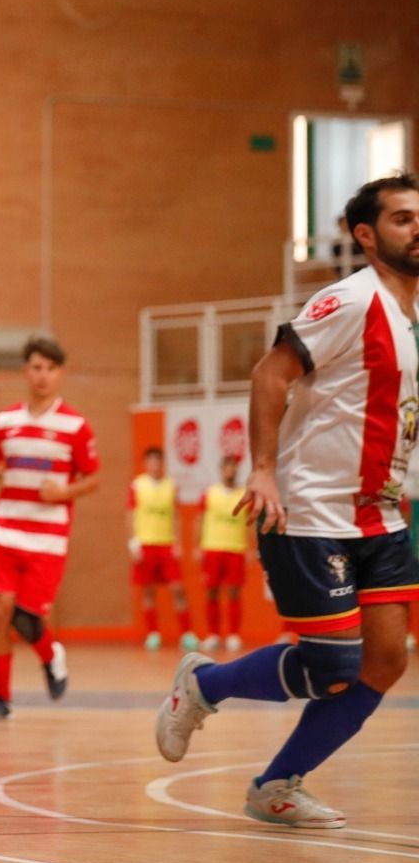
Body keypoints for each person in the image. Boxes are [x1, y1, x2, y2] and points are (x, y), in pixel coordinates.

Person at [157, 173, 419, 829]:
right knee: (334, 668)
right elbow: (271, 373)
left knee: (387, 660)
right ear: (366, 236)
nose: (418, 227)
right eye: (403, 218)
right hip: (309, 509)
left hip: (381, 514)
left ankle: (275, 786)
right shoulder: (351, 300)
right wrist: (264, 470)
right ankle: (204, 685)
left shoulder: (413, 318)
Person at [0, 337, 100, 721]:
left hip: (48, 535)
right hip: (4, 527)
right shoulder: (5, 422)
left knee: (25, 618)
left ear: (60, 374)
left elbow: (92, 479)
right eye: (37, 367)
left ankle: (50, 654)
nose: (43, 376)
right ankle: (1, 699)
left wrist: (64, 492)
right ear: (26, 371)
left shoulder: (75, 426)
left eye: (51, 369)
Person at [129, 447, 198, 652]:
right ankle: (153, 634)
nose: (155, 465)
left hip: (166, 544)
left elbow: (176, 516)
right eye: (151, 461)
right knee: (148, 590)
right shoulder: (137, 485)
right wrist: (133, 543)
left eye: (158, 461)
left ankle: (187, 634)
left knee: (178, 589)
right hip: (145, 543)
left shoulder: (171, 485)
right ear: (145, 464)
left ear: (162, 463)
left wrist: (178, 543)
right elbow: (130, 514)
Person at [197, 454, 249, 653]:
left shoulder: (244, 494)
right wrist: (197, 546)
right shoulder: (210, 493)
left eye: (234, 467)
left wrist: (251, 547)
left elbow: (250, 523)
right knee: (212, 591)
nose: (230, 471)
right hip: (212, 547)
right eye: (227, 467)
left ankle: (233, 634)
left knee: (234, 591)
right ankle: (213, 634)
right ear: (221, 470)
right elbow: (199, 520)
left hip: (236, 548)